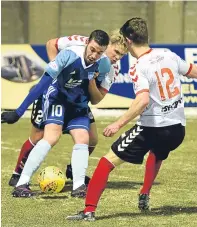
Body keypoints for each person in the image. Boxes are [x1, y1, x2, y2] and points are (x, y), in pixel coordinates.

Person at [66, 17, 197, 221]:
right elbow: (193, 71)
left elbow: (142, 100)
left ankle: (88, 211)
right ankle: (144, 193)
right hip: (178, 129)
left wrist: (118, 123)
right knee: (159, 152)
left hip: (152, 128)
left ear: (127, 41)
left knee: (105, 163)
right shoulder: (168, 55)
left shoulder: (139, 66)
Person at [8, 30, 128, 194]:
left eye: (99, 53)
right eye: (92, 49)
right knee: (50, 136)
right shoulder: (68, 54)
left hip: (78, 104)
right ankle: (21, 183)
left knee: (84, 138)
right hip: (57, 98)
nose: (94, 55)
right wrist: (19, 111)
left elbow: (95, 99)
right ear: (87, 43)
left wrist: (92, 81)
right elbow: (43, 84)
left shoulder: (106, 66)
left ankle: (78, 187)